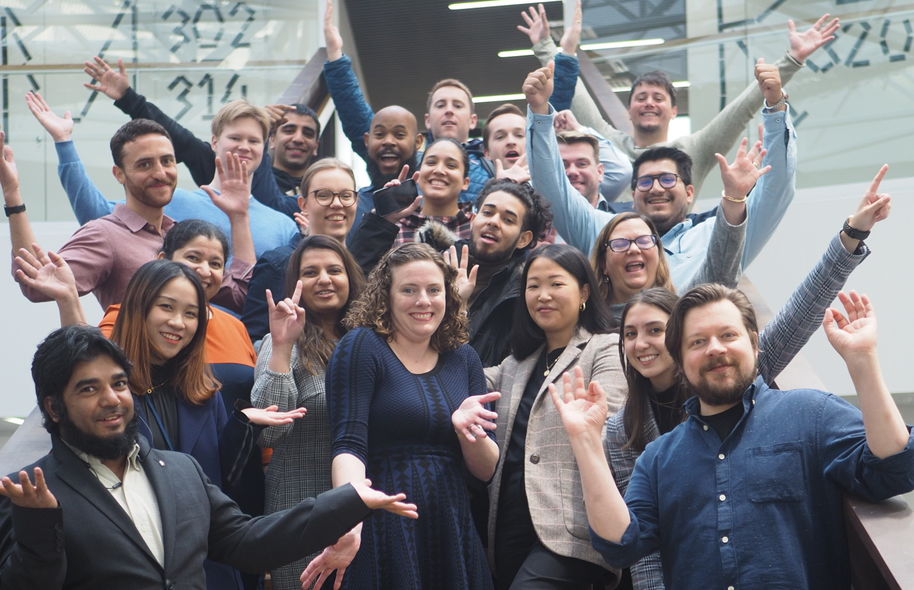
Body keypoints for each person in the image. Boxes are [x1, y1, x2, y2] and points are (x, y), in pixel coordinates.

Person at [599, 166, 892, 589]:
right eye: (630, 333)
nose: (643, 343)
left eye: (655, 330)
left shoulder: (732, 376)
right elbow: (641, 547)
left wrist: (850, 237)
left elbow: (801, 311)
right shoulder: (624, 430)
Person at [552, 280, 914, 589]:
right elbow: (622, 544)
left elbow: (893, 468)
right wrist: (586, 442)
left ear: (754, 344)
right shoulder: (658, 458)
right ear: (680, 360)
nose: (715, 349)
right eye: (697, 342)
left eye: (728, 335)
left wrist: (862, 361)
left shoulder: (811, 413)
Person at [0, 324, 418, 589]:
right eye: (88, 389)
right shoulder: (28, 492)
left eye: (120, 383)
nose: (112, 400)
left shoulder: (180, 471)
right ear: (54, 407)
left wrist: (348, 503)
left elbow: (249, 543)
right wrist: (39, 525)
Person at [14, 255, 304, 590]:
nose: (179, 322)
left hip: (207, 568)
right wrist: (68, 300)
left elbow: (223, 484)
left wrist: (242, 424)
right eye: (167, 307)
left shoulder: (204, 390)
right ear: (139, 308)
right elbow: (79, 368)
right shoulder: (110, 399)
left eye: (192, 313)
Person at [301, 243, 499, 590]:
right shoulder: (361, 346)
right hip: (381, 521)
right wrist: (349, 523)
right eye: (409, 290)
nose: (423, 301)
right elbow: (348, 446)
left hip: (450, 523)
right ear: (386, 297)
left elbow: (484, 470)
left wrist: (471, 432)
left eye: (434, 290)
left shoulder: (464, 357)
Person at [521, 2, 838, 196]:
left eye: (658, 98)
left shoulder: (691, 151)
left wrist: (791, 61)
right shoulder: (608, 143)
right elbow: (574, 94)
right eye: (641, 96)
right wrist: (548, 47)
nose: (648, 102)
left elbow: (738, 113)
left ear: (673, 110)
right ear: (629, 109)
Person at [524, 59, 790, 289]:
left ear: (689, 192)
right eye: (645, 181)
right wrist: (539, 112)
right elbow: (553, 189)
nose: (656, 188)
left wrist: (776, 107)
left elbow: (775, 192)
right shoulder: (602, 230)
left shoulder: (715, 234)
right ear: (633, 193)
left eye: (667, 179)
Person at [484, 244, 624, 589]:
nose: (543, 295)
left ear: (584, 292)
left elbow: (613, 429)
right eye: (533, 286)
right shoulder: (515, 364)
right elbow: (460, 379)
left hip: (572, 533)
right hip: (507, 528)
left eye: (556, 284)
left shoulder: (605, 348)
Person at [251, 235, 365, 590]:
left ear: (351, 277)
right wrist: (283, 347)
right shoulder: (282, 337)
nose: (325, 279)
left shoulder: (372, 338)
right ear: (295, 283)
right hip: (302, 504)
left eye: (334, 270)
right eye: (311, 272)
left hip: (366, 503)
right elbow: (269, 431)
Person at [57, 97, 298, 258]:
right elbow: (96, 214)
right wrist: (64, 144)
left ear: (264, 149)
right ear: (214, 142)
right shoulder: (171, 202)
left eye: (253, 140)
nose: (244, 147)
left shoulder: (282, 225)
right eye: (235, 138)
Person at [82, 55, 314, 212]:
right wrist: (128, 98)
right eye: (289, 129)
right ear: (271, 140)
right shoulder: (217, 168)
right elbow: (180, 139)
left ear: (317, 145)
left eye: (308, 133)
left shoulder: (317, 193)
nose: (298, 138)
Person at [322, 0, 490, 204]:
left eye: (457, 105)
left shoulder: (490, 163)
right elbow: (357, 117)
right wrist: (335, 56)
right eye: (440, 105)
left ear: (473, 120)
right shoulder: (407, 159)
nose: (448, 111)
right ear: (427, 121)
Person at [3, 117, 178, 310]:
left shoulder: (181, 234)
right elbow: (38, 282)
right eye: (145, 164)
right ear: (119, 174)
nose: (161, 173)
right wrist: (13, 195)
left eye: (167, 161)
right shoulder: (105, 235)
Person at [242, 158, 360, 343]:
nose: (337, 203)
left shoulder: (359, 263)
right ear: (303, 204)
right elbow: (252, 340)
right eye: (324, 195)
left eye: (346, 195)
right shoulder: (279, 263)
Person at [347, 138, 474, 272]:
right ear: (418, 174)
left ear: (465, 182)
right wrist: (380, 222)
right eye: (431, 162)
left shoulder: (477, 226)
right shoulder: (393, 225)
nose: (439, 170)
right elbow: (358, 275)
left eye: (451, 165)